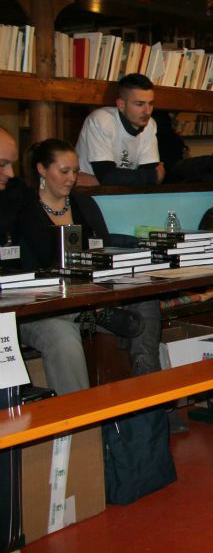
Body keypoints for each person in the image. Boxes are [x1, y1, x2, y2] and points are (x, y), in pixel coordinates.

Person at [15, 139, 163, 393]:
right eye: (64, 171)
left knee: (146, 298)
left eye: (75, 171)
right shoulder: (24, 211)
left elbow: (103, 250)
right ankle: (89, 318)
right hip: (45, 303)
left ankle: (147, 384)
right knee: (63, 332)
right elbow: (27, 270)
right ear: (41, 170)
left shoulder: (84, 204)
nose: (72, 178)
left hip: (90, 294)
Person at [75, 73, 164, 186]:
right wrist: (152, 176)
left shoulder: (150, 124)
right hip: (87, 192)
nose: (147, 111)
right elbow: (107, 176)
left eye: (150, 104)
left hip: (118, 192)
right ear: (121, 104)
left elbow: (151, 178)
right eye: (139, 104)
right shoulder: (101, 120)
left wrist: (101, 181)